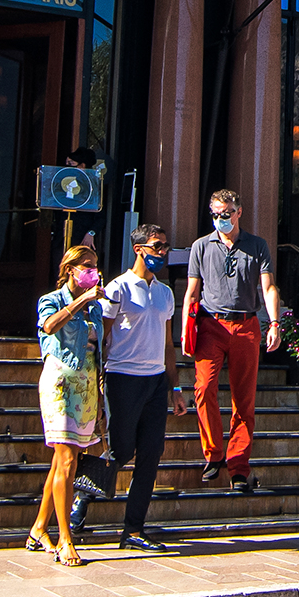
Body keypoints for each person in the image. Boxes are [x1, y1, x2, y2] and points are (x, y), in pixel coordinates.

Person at [86, 223, 188, 551]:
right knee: (121, 449)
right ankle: (82, 494)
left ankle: (133, 529)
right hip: (122, 377)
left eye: (166, 247)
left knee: (151, 454)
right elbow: (102, 335)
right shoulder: (118, 289)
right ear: (139, 248)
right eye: (157, 246)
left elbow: (169, 345)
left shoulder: (164, 292)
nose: (162, 252)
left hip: (155, 380)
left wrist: (175, 388)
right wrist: (99, 379)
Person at [182, 189, 279, 492]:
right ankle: (213, 454)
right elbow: (192, 291)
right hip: (211, 324)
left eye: (225, 214)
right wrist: (185, 329)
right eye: (215, 214)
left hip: (246, 324)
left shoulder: (257, 245)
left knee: (244, 399)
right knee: (203, 387)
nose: (220, 219)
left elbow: (269, 286)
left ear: (238, 212)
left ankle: (239, 465)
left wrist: (274, 322)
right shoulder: (201, 246)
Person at [28, 242, 106, 567]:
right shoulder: (52, 300)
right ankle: (65, 539)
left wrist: (101, 393)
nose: (92, 271)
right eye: (85, 266)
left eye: (95, 265)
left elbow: (101, 348)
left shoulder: (97, 308)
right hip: (60, 381)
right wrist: (81, 301)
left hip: (87, 384)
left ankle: (37, 530)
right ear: (70, 270)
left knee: (67, 460)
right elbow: (49, 326)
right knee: (66, 461)